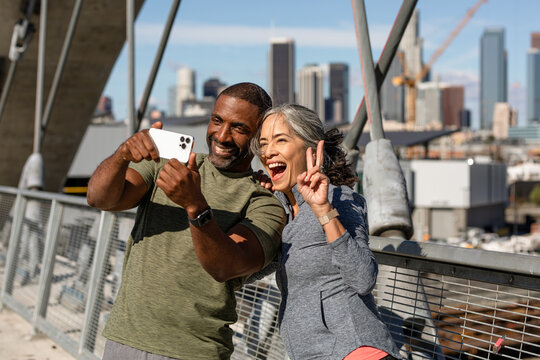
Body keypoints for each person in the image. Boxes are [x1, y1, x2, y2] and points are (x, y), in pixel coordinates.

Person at [86, 82, 285, 360]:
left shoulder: (264, 202)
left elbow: (226, 267)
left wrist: (195, 205)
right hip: (125, 340)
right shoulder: (167, 163)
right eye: (217, 121)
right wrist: (122, 155)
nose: (222, 135)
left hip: (194, 351)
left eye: (239, 128)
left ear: (259, 136)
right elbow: (99, 199)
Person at [251, 104, 403, 360]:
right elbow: (249, 269)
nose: (268, 152)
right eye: (264, 144)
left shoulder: (339, 199)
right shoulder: (285, 212)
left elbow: (363, 278)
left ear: (311, 147)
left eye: (280, 140)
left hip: (354, 351)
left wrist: (323, 210)